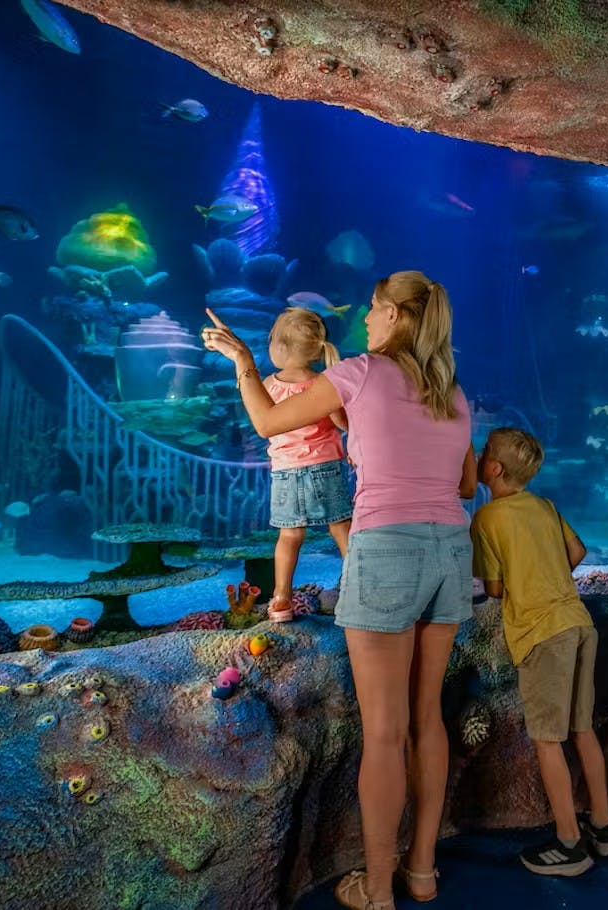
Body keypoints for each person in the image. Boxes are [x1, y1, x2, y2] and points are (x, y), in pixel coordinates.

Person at [202, 271, 478, 910]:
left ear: (394, 316)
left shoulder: (360, 372)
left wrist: (245, 360)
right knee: (426, 719)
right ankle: (423, 873)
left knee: (384, 731)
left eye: (376, 312)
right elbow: (465, 485)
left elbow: (271, 422)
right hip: (448, 549)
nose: (368, 324)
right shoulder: (451, 390)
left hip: (386, 549)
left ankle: (377, 889)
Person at [470, 427, 608, 876]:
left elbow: (495, 588)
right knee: (583, 730)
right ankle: (605, 830)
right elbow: (578, 550)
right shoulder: (545, 505)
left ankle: (570, 844)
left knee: (548, 740)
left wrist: (520, 580)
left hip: (540, 633)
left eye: (483, 453)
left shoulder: (487, 518)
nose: (477, 457)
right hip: (577, 622)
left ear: (493, 469)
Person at [260, 307, 352, 622]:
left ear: (280, 347)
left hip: (285, 471)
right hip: (324, 466)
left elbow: (261, 419)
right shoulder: (324, 383)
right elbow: (343, 423)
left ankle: (282, 598)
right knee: (341, 527)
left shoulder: (267, 386)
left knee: (289, 536)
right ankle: (359, 586)